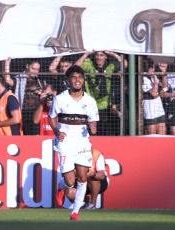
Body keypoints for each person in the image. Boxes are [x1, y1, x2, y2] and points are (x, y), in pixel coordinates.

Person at [48, 65, 99, 221]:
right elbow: (51, 118)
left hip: (82, 143)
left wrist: (93, 126)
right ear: (68, 80)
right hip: (65, 142)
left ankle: (75, 213)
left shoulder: (90, 101)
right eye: (74, 77)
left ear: (83, 80)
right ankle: (61, 186)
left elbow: (93, 122)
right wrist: (57, 131)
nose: (78, 80)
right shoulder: (60, 99)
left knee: (83, 177)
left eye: (80, 77)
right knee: (70, 181)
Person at [75, 50, 127, 136]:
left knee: (106, 129)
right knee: (93, 130)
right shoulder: (89, 64)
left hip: (106, 104)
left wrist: (112, 53)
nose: (99, 57)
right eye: (97, 55)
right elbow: (75, 67)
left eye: (101, 55)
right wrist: (86, 54)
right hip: (92, 104)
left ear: (105, 57)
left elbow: (124, 64)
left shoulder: (110, 66)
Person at [4, 57, 42, 135]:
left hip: (36, 113)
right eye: (33, 68)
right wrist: (7, 65)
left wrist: (41, 93)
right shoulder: (19, 79)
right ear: (27, 66)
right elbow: (8, 80)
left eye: (37, 69)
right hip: (23, 112)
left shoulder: (39, 81)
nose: (35, 72)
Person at [142, 58, 166, 135]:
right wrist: (155, 80)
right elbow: (154, 93)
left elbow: (165, 86)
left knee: (162, 137)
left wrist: (164, 72)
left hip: (159, 110)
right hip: (150, 112)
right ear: (151, 68)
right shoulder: (143, 79)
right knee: (153, 137)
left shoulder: (152, 77)